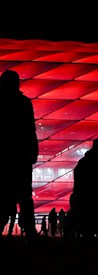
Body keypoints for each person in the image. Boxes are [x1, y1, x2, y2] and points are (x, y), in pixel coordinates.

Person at [0, 69, 39, 239]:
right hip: (21, 157)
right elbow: (30, 130)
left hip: (5, 157)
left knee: (5, 194)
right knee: (24, 196)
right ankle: (30, 231)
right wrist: (32, 152)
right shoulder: (24, 103)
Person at [72, 138, 98, 238]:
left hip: (86, 192)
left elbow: (77, 174)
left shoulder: (84, 160)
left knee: (87, 212)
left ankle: (86, 232)